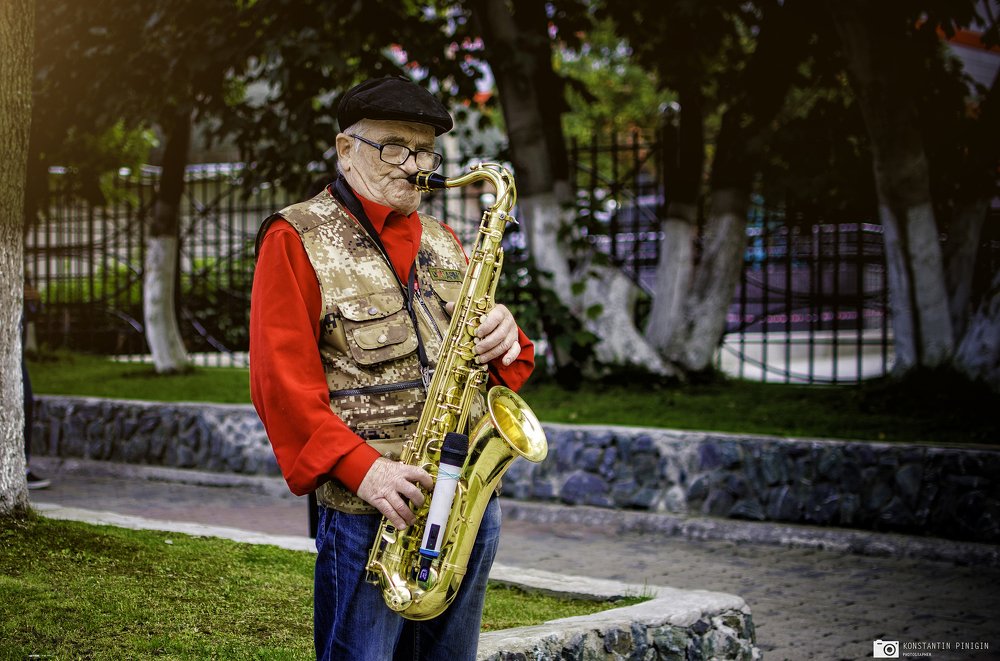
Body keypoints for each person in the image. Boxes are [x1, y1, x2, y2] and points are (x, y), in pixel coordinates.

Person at [249, 75, 534, 660]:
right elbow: (279, 386)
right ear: (345, 149)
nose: (415, 165)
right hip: (370, 511)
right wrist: (366, 471)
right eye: (394, 147)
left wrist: (507, 334)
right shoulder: (295, 236)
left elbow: (495, 358)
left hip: (466, 505)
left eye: (425, 150)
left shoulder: (445, 240)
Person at [23, 280, 49, 490]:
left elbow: (33, 314)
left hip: (13, 354)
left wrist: (35, 300)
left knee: (25, 403)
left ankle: (22, 467)